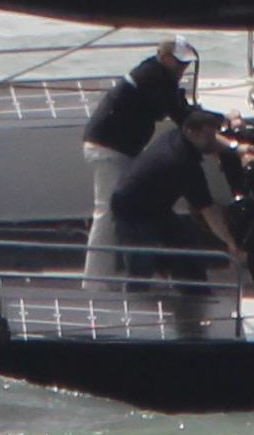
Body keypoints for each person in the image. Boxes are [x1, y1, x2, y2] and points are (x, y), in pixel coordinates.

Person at [103, 105, 243, 332]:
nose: (212, 142)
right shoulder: (183, 163)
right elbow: (208, 210)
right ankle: (130, 319)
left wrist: (236, 149)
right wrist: (231, 243)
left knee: (186, 249)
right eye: (208, 136)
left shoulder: (175, 135)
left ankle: (199, 298)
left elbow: (212, 144)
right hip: (131, 209)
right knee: (141, 264)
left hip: (157, 207)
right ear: (191, 132)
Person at [77, 41, 199, 282]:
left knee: (124, 208)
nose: (182, 67)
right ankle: (95, 282)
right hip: (108, 148)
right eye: (179, 61)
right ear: (163, 57)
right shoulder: (154, 77)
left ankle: (141, 267)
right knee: (108, 213)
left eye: (186, 63)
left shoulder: (157, 76)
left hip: (119, 148)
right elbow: (180, 115)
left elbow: (177, 108)